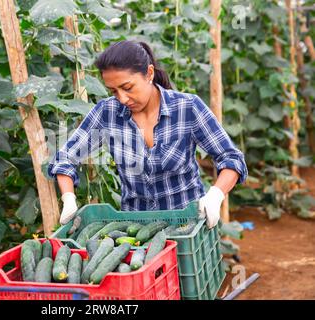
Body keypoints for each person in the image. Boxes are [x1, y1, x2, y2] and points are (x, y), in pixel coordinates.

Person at [47, 40, 248, 228]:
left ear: (149, 73)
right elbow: (65, 158)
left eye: (127, 88)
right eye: (113, 91)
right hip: (135, 228)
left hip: (186, 225)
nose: (122, 98)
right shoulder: (106, 113)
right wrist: (68, 198)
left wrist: (215, 195)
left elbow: (231, 158)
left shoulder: (187, 108)